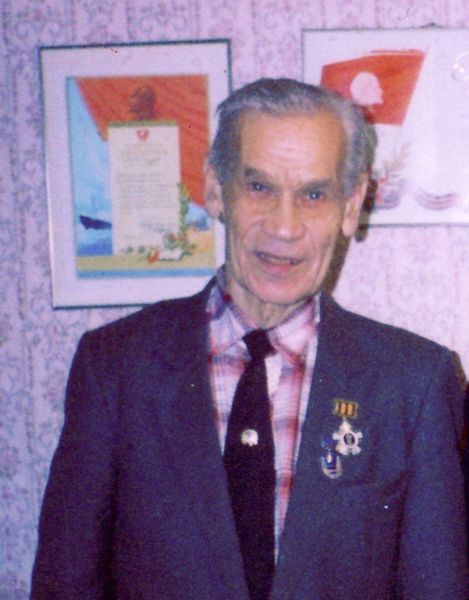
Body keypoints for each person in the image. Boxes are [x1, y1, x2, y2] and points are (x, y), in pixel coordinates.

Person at [31, 78, 467, 599]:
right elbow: (65, 585)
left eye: (313, 195)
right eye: (258, 188)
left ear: (350, 206)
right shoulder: (115, 368)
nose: (283, 226)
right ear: (216, 188)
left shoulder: (415, 384)